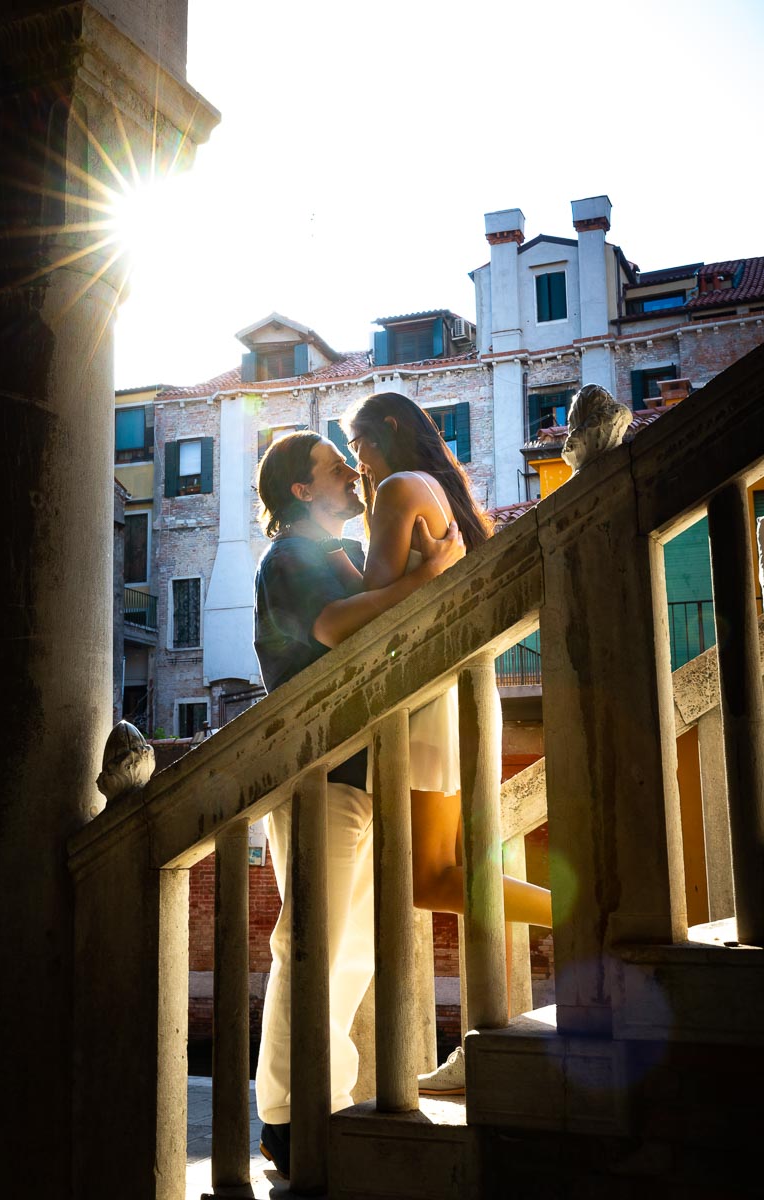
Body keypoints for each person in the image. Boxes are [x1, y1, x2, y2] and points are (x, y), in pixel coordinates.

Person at [253, 429, 465, 1176]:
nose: (352, 474)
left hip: (362, 768)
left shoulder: (335, 556)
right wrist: (428, 573)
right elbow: (339, 626)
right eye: (334, 468)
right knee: (309, 943)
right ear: (301, 491)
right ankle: (284, 1118)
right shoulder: (291, 556)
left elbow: (376, 609)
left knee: (354, 952)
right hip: (315, 770)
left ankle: (325, 1102)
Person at [342, 392, 552, 1095]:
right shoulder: (443, 492)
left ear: (389, 431)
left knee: (432, 878)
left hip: (431, 703)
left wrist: (388, 539)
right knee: (452, 871)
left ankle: (589, 918)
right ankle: (484, 1039)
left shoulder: (400, 490)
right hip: (463, 696)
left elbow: (375, 609)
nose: (357, 461)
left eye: (360, 444)